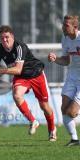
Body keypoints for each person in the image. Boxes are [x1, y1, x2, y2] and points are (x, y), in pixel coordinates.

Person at [0, 25, 57, 141]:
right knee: (16, 95)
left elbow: (17, 69)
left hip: (36, 74)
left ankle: (52, 130)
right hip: (21, 77)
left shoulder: (19, 47)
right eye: (2, 38)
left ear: (12, 36)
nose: (5, 40)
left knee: (44, 106)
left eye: (7, 37)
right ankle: (33, 121)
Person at [48, 15, 80, 146]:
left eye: (66, 25)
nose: (63, 27)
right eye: (63, 24)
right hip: (72, 77)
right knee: (63, 109)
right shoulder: (65, 39)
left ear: (75, 27)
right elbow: (66, 60)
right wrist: (56, 59)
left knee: (71, 112)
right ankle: (74, 139)